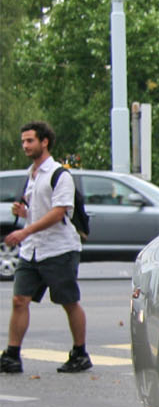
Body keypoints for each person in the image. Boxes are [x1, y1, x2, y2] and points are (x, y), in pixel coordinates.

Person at [2, 121, 91, 374]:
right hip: (32, 249)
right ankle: (12, 355)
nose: (25, 146)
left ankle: (80, 353)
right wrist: (25, 213)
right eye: (23, 141)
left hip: (59, 249)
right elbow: (40, 211)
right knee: (20, 300)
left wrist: (25, 230)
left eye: (30, 141)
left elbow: (59, 212)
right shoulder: (31, 174)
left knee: (68, 301)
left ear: (45, 142)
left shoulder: (60, 174)